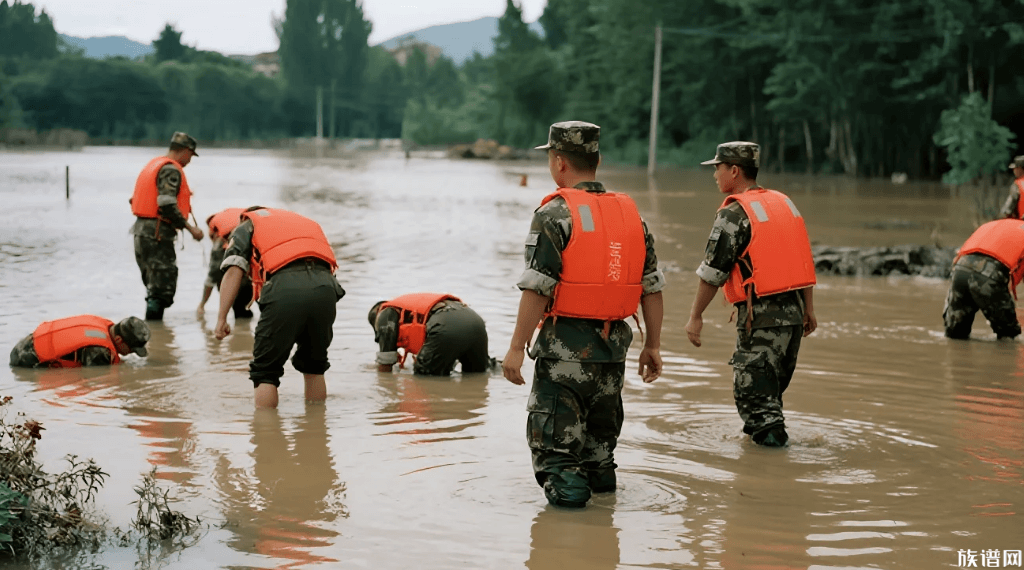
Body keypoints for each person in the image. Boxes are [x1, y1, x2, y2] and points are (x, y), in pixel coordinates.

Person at [503, 121, 665, 509]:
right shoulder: (631, 217)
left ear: (559, 163)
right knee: (598, 462)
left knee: (559, 463)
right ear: (598, 160)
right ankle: (603, 543)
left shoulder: (555, 214)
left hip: (564, 358)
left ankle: (569, 548)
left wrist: (515, 347)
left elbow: (537, 286)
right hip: (612, 358)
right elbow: (652, 287)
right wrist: (653, 346)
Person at [685, 141, 817, 448]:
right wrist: (809, 310)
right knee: (769, 399)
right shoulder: (784, 203)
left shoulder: (734, 214)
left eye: (717, 168)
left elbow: (713, 272)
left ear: (734, 170)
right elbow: (804, 261)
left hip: (761, 321)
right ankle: (760, 457)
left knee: (758, 404)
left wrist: (695, 316)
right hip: (793, 320)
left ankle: (771, 480)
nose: (714, 175)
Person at [214, 206, 345, 409]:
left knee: (265, 371)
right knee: (314, 366)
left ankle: (267, 433)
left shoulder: (247, 226)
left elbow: (233, 271)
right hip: (326, 289)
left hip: (285, 288)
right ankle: (316, 425)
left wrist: (221, 318)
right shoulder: (304, 222)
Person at [130, 132, 205, 321]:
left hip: (142, 232)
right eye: (190, 155)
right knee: (161, 289)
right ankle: (154, 335)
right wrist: (191, 229)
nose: (189, 161)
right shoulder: (171, 170)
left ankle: (153, 333)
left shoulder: (154, 164)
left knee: (154, 286)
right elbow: (166, 203)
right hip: (157, 235)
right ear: (186, 151)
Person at [368, 294, 491, 376]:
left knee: (424, 377)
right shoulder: (410, 308)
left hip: (445, 322)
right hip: (475, 321)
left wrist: (383, 382)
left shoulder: (385, 312)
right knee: (477, 375)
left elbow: (386, 360)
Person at [943, 218, 1024, 340]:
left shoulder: (996, 223)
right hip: (989, 276)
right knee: (1009, 337)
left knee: (955, 335)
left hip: (960, 272)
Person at [10, 315, 150, 368]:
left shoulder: (101, 324)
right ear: (118, 340)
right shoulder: (102, 352)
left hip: (26, 343)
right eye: (132, 349)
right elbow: (95, 380)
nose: (131, 352)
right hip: (25, 360)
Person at [198, 207, 253, 319]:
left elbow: (212, 277)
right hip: (256, 239)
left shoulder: (219, 237)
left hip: (237, 241)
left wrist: (202, 305)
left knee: (225, 275)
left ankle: (239, 311)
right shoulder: (236, 214)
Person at [998, 155, 1024, 220]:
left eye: (1015, 168)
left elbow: (1008, 209)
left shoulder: (1018, 185)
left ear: (1020, 168)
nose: (1013, 170)